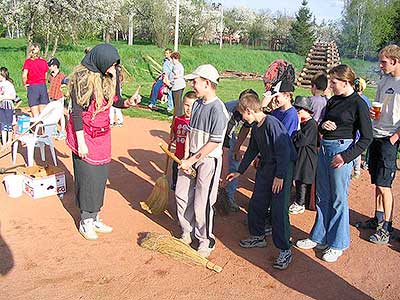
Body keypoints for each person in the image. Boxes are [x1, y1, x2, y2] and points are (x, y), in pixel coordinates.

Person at [296, 64, 373, 262]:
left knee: (339, 199)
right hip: (325, 149)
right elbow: (322, 124)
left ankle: (338, 243)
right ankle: (320, 236)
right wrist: (323, 125)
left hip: (342, 152)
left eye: (334, 82)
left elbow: (366, 138)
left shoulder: (358, 103)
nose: (331, 85)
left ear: (346, 82)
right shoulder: (333, 101)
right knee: (323, 196)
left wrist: (346, 157)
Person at [66, 44, 141, 241]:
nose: (113, 68)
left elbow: (115, 100)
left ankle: (95, 215)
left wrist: (127, 103)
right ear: (100, 61)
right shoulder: (81, 79)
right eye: (111, 64)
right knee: (86, 177)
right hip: (84, 134)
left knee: (99, 177)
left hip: (102, 134)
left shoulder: (110, 76)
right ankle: (85, 220)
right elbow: (76, 113)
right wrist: (81, 143)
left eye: (116, 64)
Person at [226, 92, 297, 270]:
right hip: (266, 167)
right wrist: (239, 171)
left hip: (282, 168)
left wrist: (280, 176)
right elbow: (252, 149)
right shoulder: (257, 126)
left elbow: (284, 151)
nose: (242, 118)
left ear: (249, 110)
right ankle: (257, 236)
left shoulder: (272, 123)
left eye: (242, 114)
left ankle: (284, 249)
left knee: (279, 209)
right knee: (257, 202)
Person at [175, 64, 228, 258]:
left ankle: (206, 239)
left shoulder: (218, 110)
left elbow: (214, 142)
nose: (192, 84)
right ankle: (186, 231)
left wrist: (193, 159)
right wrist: (186, 158)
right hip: (191, 158)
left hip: (208, 160)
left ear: (207, 83)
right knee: (181, 195)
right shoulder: (196, 104)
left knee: (202, 202)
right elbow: (190, 133)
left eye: (195, 81)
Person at [359, 45, 400, 244]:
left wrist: (395, 137)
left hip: (389, 138)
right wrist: (372, 116)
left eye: (383, 62)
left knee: (385, 185)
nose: (380, 65)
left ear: (394, 61)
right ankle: (378, 217)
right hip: (376, 134)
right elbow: (378, 107)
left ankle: (387, 227)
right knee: (377, 181)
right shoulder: (384, 81)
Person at [220, 90, 255, 212]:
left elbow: (246, 128)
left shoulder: (250, 111)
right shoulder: (228, 110)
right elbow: (224, 141)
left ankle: (229, 198)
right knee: (218, 163)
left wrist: (237, 148)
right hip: (219, 132)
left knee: (234, 164)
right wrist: (224, 171)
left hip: (230, 133)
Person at [289, 96, 318, 215]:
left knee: (303, 180)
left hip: (307, 158)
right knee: (299, 179)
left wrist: (298, 126)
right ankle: (299, 199)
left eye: (300, 110)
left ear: (306, 111)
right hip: (301, 156)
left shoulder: (311, 124)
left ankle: (300, 203)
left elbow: (302, 141)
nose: (297, 112)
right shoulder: (306, 123)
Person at [170, 91, 196, 190]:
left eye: (192, 106)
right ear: (182, 104)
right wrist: (173, 135)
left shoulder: (195, 122)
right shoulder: (177, 119)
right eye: (186, 105)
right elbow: (174, 132)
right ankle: (175, 186)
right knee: (176, 173)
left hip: (189, 158)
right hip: (178, 155)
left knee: (188, 179)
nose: (189, 109)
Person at [22, 43, 49, 118]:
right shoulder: (44, 62)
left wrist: (25, 84)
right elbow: (45, 76)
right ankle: (44, 129)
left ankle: (38, 129)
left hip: (33, 86)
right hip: (42, 86)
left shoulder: (28, 62)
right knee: (43, 114)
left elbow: (24, 76)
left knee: (35, 114)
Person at [352, 77, 371, 178]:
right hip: (361, 128)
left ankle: (355, 170)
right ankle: (356, 170)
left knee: (353, 147)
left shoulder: (353, 98)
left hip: (355, 128)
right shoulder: (366, 99)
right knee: (357, 148)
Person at [48, 57, 67, 140]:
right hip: (52, 96)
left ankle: (62, 131)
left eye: (50, 66)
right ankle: (54, 130)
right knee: (53, 113)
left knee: (60, 114)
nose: (49, 67)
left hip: (59, 96)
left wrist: (63, 87)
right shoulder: (50, 76)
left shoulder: (62, 76)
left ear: (55, 66)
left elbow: (66, 85)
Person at [0, 67, 16, 145]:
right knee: (2, 123)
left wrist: (4, 97)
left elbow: (13, 96)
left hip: (8, 105)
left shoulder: (9, 84)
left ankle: (9, 140)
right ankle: (4, 141)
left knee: (8, 122)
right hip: (1, 105)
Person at [169, 52, 186, 116]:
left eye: (173, 59)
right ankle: (178, 114)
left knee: (177, 101)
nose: (172, 61)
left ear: (176, 59)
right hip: (178, 85)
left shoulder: (177, 66)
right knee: (177, 101)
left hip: (178, 86)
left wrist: (170, 79)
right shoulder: (178, 65)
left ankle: (177, 115)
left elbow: (176, 75)